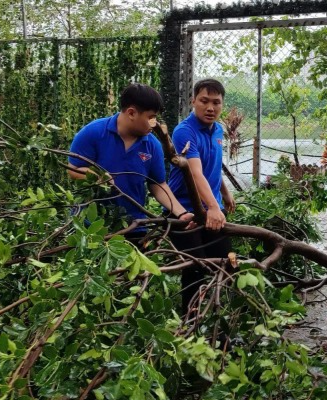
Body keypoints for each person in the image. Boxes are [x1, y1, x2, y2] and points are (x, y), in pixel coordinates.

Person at [68, 83, 194, 243]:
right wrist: (96, 176)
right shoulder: (93, 133)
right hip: (90, 225)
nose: (154, 123)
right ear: (132, 113)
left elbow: (158, 184)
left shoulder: (152, 145)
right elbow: (73, 170)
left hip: (134, 225)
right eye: (150, 117)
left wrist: (182, 213)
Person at [167, 78, 236, 312]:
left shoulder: (217, 129)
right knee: (195, 268)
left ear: (222, 105)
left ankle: (217, 315)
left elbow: (213, 166)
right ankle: (189, 320)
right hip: (184, 211)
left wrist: (225, 195)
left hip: (212, 208)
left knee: (227, 263)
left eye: (216, 102)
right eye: (204, 101)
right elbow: (195, 173)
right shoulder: (184, 132)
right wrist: (214, 209)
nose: (210, 107)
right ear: (193, 101)